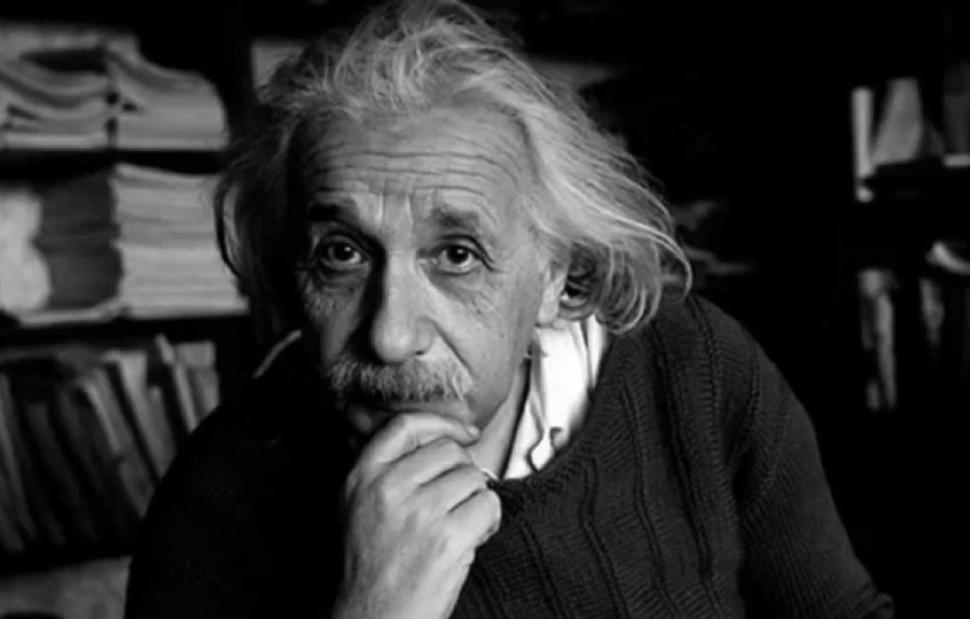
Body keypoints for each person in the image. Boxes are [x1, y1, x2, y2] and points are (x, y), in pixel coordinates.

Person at [125, 1, 893, 617]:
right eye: (343, 253)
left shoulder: (696, 371)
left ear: (562, 279)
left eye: (457, 255)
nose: (390, 336)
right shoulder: (216, 501)